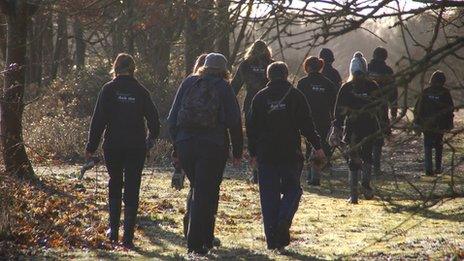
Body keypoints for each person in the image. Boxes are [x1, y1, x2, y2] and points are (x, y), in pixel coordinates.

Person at [167, 53, 242, 255]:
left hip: (185, 144)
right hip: (212, 145)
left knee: (200, 189)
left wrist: (177, 145)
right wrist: (238, 151)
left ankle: (206, 238)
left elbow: (172, 119)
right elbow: (234, 121)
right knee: (205, 192)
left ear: (204, 67)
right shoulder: (223, 87)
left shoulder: (189, 82)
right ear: (224, 70)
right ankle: (195, 244)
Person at [247, 61, 325, 250]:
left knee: (268, 197)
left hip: (266, 154)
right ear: (286, 75)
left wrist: (253, 153)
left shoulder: (259, 97)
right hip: (290, 152)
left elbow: (251, 128)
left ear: (268, 76)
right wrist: (318, 146)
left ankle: (273, 242)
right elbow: (307, 123)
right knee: (293, 189)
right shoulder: (296, 96)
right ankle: (284, 219)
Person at [85, 53, 160, 248]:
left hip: (113, 145)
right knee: (133, 186)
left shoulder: (108, 89)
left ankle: (113, 232)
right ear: (133, 68)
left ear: (115, 68)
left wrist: (91, 147)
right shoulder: (141, 91)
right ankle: (128, 237)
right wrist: (150, 139)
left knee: (115, 182)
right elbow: (154, 121)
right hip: (136, 146)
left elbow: (98, 120)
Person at [329, 52, 387, 204]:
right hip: (369, 126)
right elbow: (382, 107)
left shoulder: (347, 87)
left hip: (353, 128)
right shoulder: (372, 86)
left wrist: (337, 126)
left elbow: (339, 110)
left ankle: (354, 195)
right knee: (367, 155)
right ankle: (366, 185)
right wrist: (384, 126)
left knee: (353, 157)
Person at [231, 40, 274, 184]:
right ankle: (266, 168)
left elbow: (235, 87)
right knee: (267, 136)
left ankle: (255, 169)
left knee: (252, 137)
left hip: (250, 103)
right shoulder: (271, 64)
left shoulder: (245, 65)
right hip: (269, 105)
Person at [297, 56, 337, 186]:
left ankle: (311, 175)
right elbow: (333, 105)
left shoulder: (302, 83)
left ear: (307, 67)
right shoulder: (328, 84)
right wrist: (334, 120)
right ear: (320, 67)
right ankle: (315, 174)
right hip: (324, 119)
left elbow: (297, 102)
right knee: (320, 146)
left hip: (306, 118)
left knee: (310, 145)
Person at [413, 71, 454, 176]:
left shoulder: (426, 92)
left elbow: (418, 108)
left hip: (427, 123)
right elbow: (450, 110)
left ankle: (429, 169)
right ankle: (438, 168)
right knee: (439, 145)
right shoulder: (445, 93)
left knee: (428, 146)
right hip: (440, 124)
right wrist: (449, 124)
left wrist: (417, 122)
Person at [368, 47, 395, 175]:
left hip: (366, 107)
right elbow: (393, 92)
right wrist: (394, 111)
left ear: (374, 55)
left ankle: (366, 166)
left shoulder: (366, 69)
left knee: (366, 136)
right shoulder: (388, 71)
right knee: (378, 138)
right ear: (385, 57)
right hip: (382, 108)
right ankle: (376, 167)